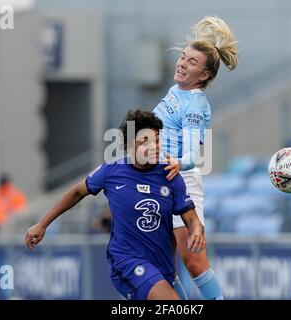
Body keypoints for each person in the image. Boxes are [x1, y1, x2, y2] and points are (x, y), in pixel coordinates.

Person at [25, 110, 206, 300]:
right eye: (144, 141)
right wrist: (42, 224)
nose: (153, 146)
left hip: (163, 268)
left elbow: (191, 218)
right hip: (126, 262)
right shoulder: (111, 172)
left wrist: (196, 231)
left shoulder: (170, 176)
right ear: (129, 145)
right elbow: (77, 192)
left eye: (157, 140)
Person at [153, 16, 239, 300]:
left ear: (203, 75)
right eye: (183, 57)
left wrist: (179, 163)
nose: (182, 63)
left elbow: (192, 152)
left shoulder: (195, 102)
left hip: (182, 182)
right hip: (160, 180)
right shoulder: (176, 90)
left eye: (191, 62)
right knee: (163, 267)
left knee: (195, 264)